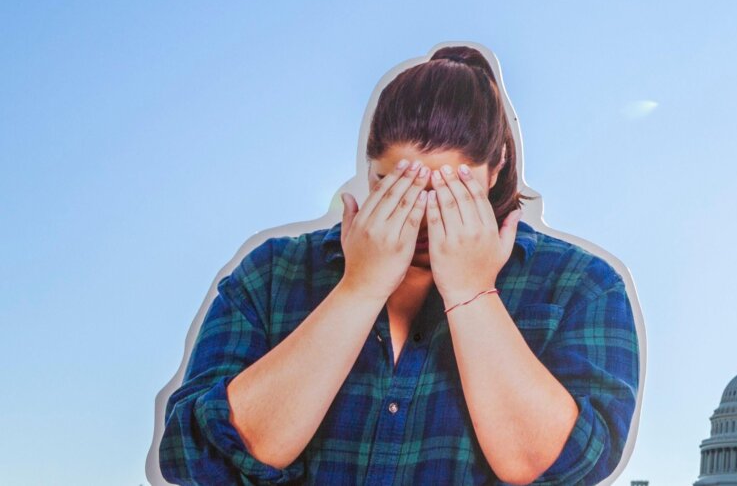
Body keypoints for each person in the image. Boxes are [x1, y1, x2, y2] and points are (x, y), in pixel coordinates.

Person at [159, 46, 640, 486]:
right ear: (369, 170)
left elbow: (567, 465)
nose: (425, 214)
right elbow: (197, 457)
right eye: (398, 184)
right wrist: (359, 289)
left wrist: (472, 292)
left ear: (496, 167)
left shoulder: (582, 287)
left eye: (453, 189)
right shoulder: (272, 274)